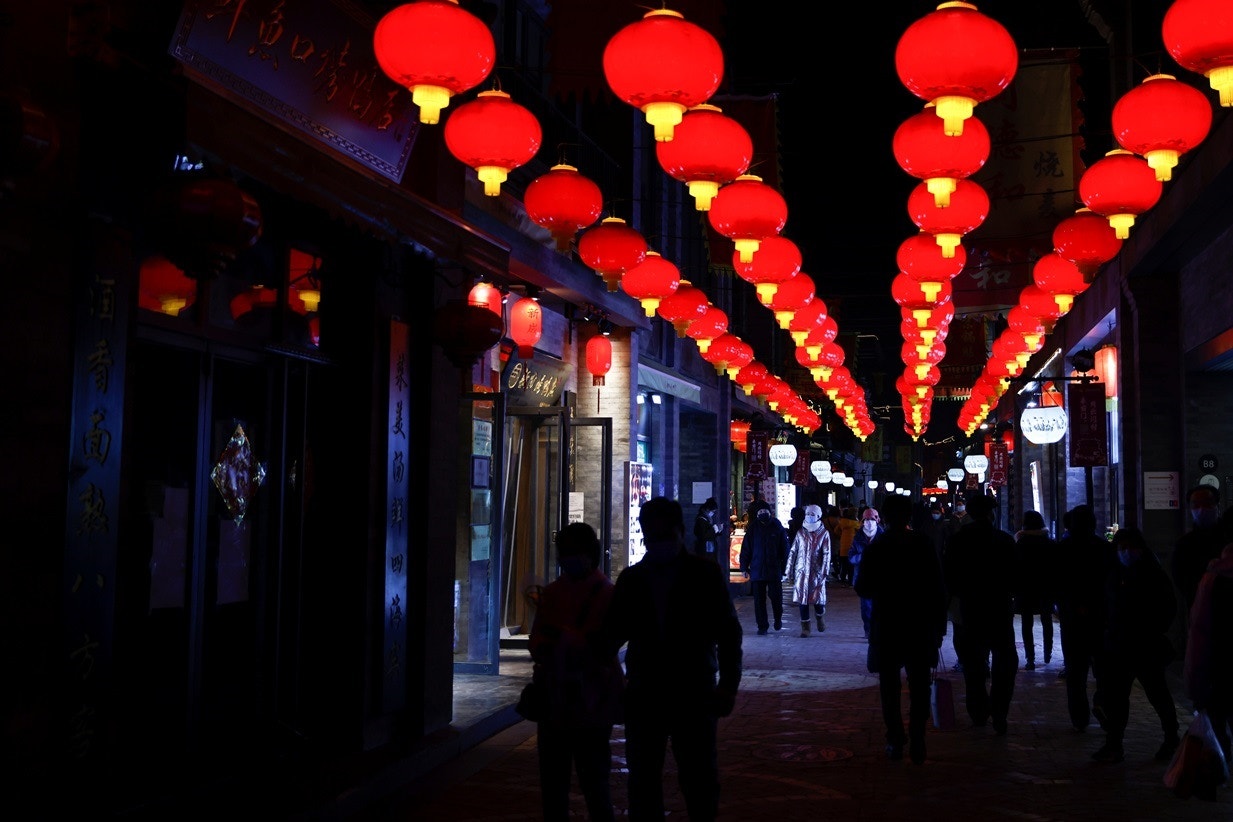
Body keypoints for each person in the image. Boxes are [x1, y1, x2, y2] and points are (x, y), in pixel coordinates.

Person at [602, 497, 743, 822]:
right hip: (645, 692)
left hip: (694, 690)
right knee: (642, 781)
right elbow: (612, 634)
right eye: (651, 538)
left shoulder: (704, 575)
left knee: (699, 779)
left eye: (664, 536)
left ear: (680, 532)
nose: (658, 544)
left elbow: (728, 632)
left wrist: (729, 685)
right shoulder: (633, 579)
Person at [527, 522, 624, 822]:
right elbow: (537, 641)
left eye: (573, 552)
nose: (568, 559)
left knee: (593, 782)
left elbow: (607, 644)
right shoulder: (554, 592)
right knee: (556, 783)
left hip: (590, 700)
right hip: (558, 699)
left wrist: (567, 640)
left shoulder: (606, 593)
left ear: (590, 554)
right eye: (564, 553)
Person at [854, 493, 948, 764]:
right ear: (909, 517)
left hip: (888, 627)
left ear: (884, 516)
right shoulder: (924, 545)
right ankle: (917, 737)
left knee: (889, 688)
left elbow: (863, 587)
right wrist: (939, 627)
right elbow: (937, 588)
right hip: (919, 627)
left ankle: (895, 738)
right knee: (919, 685)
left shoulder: (878, 547)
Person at [1091, 527, 1180, 764]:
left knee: (1157, 694)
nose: (1126, 552)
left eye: (1130, 548)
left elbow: (1167, 607)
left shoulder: (1152, 574)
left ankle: (1172, 738)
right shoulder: (1114, 573)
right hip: (1119, 647)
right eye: (1121, 548)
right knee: (1117, 698)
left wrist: (1151, 630)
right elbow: (1106, 606)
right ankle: (1114, 743)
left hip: (1145, 646)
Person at [944, 492, 1019, 735]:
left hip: (970, 610)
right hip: (999, 609)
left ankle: (978, 712)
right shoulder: (1004, 540)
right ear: (991, 513)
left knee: (974, 666)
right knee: (1004, 665)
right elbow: (1016, 578)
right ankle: (999, 713)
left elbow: (950, 578)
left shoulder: (958, 541)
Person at [1053, 504, 1118, 732]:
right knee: (1104, 669)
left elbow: (1057, 583)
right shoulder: (1105, 548)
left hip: (1072, 619)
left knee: (1076, 671)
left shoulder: (1062, 549)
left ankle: (1079, 717)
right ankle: (1104, 705)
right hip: (1101, 617)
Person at [1185, 506, 1233, 765]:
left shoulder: (1213, 579)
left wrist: (1195, 680)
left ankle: (1223, 765)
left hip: (1220, 664)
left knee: (1218, 718)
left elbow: (1200, 631)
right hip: (1220, 664)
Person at [1014, 510, 1056, 671]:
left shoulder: (1020, 544)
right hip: (1045, 588)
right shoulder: (1050, 543)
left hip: (1025, 589)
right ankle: (1047, 653)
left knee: (1027, 623)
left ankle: (1030, 658)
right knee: (1047, 620)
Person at [1173, 483, 1224, 613]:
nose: (1202, 509)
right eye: (1196, 504)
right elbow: (1180, 578)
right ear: (1190, 508)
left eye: (1207, 503)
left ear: (1217, 505)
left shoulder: (1228, 538)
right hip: (1199, 610)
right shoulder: (1184, 544)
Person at [740, 500, 788, 635]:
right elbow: (746, 549)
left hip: (774, 569)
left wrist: (785, 568)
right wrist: (743, 567)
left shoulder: (777, 527)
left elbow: (785, 549)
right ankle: (762, 626)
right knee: (759, 601)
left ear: (770, 513)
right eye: (760, 512)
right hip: (757, 569)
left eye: (765, 512)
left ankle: (778, 619)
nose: (762, 514)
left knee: (776, 598)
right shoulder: (753, 528)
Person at [784, 503, 831, 637]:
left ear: (818, 516)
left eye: (812, 515)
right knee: (802, 600)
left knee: (818, 601)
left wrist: (824, 572)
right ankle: (805, 627)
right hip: (801, 572)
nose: (810, 517)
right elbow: (793, 551)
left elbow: (827, 554)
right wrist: (789, 570)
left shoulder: (824, 534)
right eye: (808, 514)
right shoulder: (800, 532)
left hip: (816, 572)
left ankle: (820, 616)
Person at [847, 506, 882, 638]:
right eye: (866, 520)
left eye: (871, 519)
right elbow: (851, 557)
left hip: (880, 579)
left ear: (877, 520)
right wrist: (864, 556)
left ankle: (878, 630)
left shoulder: (883, 537)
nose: (868, 522)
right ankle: (868, 630)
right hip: (864, 578)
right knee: (866, 608)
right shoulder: (858, 537)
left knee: (879, 607)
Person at [693, 497, 723, 562]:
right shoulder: (701, 520)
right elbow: (704, 535)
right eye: (713, 511)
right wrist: (715, 528)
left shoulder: (706, 519)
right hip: (705, 549)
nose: (713, 513)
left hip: (708, 548)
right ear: (707, 509)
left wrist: (718, 530)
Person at [836, 505, 860, 585]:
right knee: (851, 567)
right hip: (852, 546)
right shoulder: (856, 523)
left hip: (843, 546)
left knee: (843, 565)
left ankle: (842, 581)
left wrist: (842, 535)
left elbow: (836, 530)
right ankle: (850, 582)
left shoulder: (842, 522)